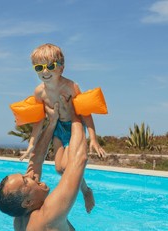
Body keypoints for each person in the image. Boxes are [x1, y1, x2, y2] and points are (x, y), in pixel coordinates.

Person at [20, 43, 105, 213]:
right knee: (59, 169)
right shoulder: (39, 93)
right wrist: (31, 145)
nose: (45, 72)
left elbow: (85, 112)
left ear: (61, 68)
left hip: (74, 126)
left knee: (69, 166)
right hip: (58, 128)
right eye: (39, 67)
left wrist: (93, 139)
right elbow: (38, 121)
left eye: (50, 66)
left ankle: (86, 192)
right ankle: (86, 188)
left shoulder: (71, 87)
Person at [0, 102, 88, 231]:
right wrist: (75, 114)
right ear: (28, 202)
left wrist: (52, 123)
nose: (30, 175)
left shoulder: (19, 217)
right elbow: (79, 160)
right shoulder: (48, 215)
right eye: (25, 180)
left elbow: (35, 159)